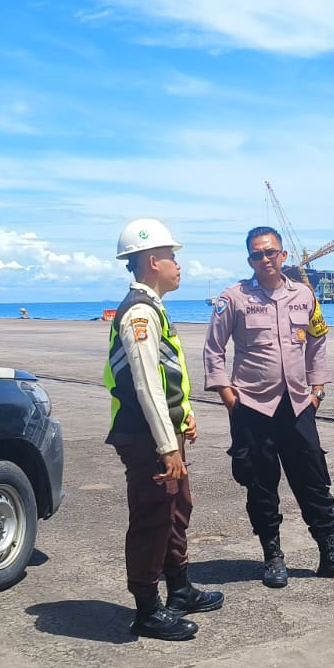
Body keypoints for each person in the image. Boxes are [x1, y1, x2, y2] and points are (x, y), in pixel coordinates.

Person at [203, 227, 334, 588]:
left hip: (297, 404)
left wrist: (317, 390)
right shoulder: (233, 298)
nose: (264, 259)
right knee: (261, 485)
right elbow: (213, 350)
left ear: (282, 255)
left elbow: (318, 341)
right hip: (252, 407)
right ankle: (273, 558)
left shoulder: (304, 295)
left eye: (270, 252)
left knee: (314, 480)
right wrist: (229, 398)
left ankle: (330, 555)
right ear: (249, 259)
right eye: (257, 254)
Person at [104, 218, 225, 640]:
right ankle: (147, 609)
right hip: (146, 438)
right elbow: (146, 384)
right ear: (153, 261)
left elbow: (166, 376)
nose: (178, 265)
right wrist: (166, 445)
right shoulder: (140, 313)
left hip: (161, 432)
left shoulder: (153, 307)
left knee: (176, 510)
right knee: (152, 517)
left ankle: (179, 588)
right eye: (172, 257)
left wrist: (182, 414)